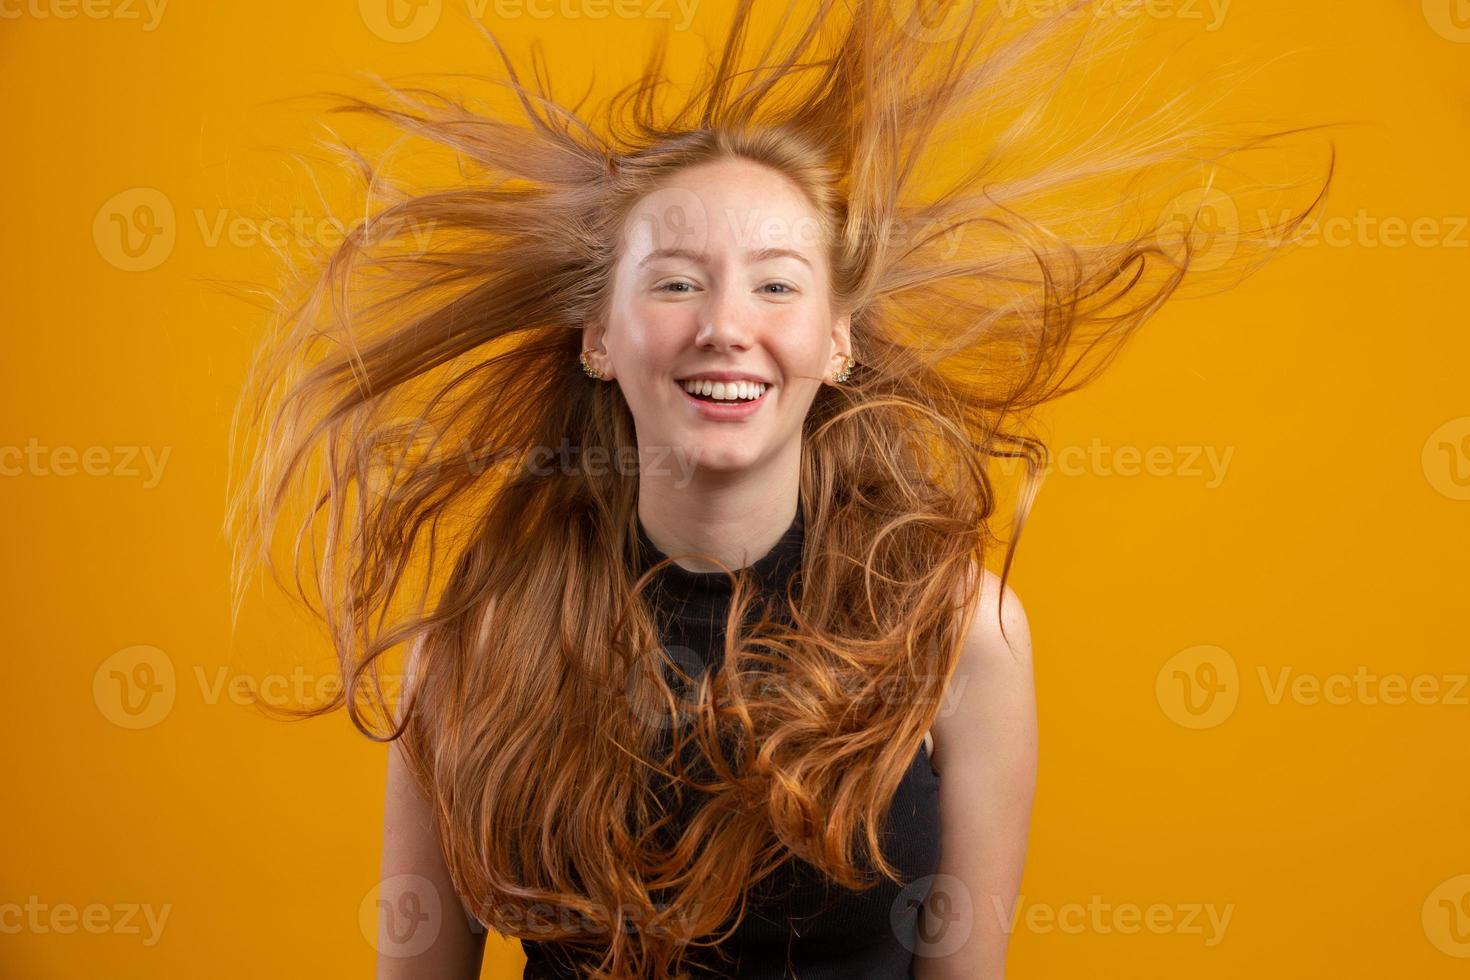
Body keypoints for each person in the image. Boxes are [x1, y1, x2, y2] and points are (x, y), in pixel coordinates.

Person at [224, 1, 1334, 977]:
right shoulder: (475, 643)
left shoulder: (960, 635)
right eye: (674, 281)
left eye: (775, 282)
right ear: (600, 337)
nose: (725, 324)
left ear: (836, 340)